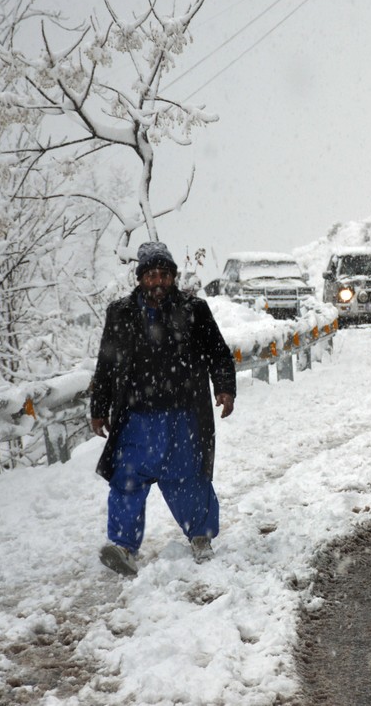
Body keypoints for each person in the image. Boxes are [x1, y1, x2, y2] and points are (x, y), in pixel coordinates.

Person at [90, 241, 236, 576]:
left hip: (182, 415)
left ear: (173, 276)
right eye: (151, 275)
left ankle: (201, 538)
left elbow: (218, 352)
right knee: (126, 480)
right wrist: (99, 408)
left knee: (186, 478)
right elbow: (107, 365)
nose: (158, 282)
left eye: (165, 275)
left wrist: (225, 388)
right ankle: (124, 548)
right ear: (140, 278)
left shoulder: (193, 310)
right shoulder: (121, 313)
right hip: (136, 418)